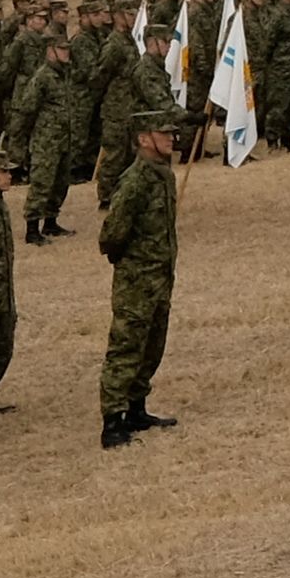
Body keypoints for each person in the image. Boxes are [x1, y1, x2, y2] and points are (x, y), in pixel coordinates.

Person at [98, 115, 182, 447]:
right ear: (144, 139)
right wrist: (131, 262)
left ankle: (136, 408)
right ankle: (113, 421)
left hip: (160, 276)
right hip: (137, 279)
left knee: (152, 345)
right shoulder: (134, 181)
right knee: (127, 346)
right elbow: (112, 233)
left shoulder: (163, 175)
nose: (171, 139)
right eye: (164, 133)